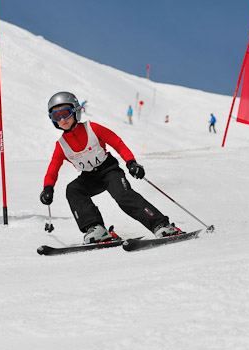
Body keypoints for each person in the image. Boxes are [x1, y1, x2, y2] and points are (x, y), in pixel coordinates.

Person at [40, 91, 181, 244]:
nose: (62, 119)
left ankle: (161, 225)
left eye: (65, 114)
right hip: (89, 177)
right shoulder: (61, 145)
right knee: (73, 189)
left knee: (123, 196)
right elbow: (53, 168)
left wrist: (131, 163)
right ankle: (95, 229)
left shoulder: (92, 129)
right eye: (56, 116)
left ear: (76, 111)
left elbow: (117, 143)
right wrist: (48, 188)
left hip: (109, 170)